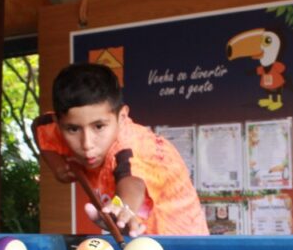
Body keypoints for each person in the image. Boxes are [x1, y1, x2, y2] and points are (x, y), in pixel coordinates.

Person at [31, 63, 209, 237]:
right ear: (59, 123)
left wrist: (123, 208)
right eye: (73, 129)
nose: (87, 144)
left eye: (99, 126)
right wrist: (58, 167)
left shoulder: (136, 146)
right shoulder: (57, 126)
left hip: (185, 246)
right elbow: (38, 126)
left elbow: (132, 182)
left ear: (122, 117)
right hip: (136, 243)